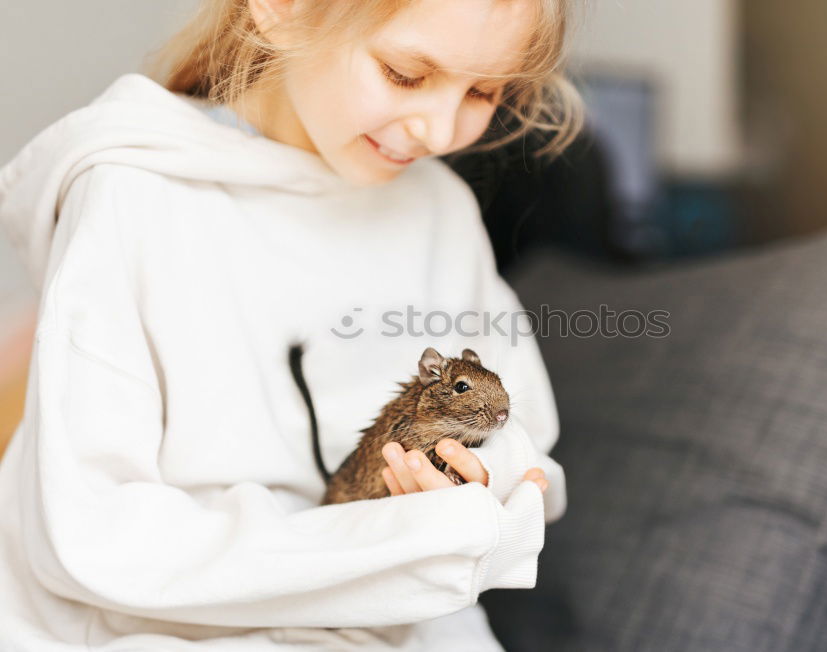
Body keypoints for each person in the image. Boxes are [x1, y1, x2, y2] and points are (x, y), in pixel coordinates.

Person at [0, 0, 583, 648]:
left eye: (483, 91)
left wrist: (478, 486)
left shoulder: (441, 212)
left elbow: (529, 462)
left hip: (397, 623)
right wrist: (382, 545)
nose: (441, 132)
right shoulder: (133, 198)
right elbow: (90, 531)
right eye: (404, 74)